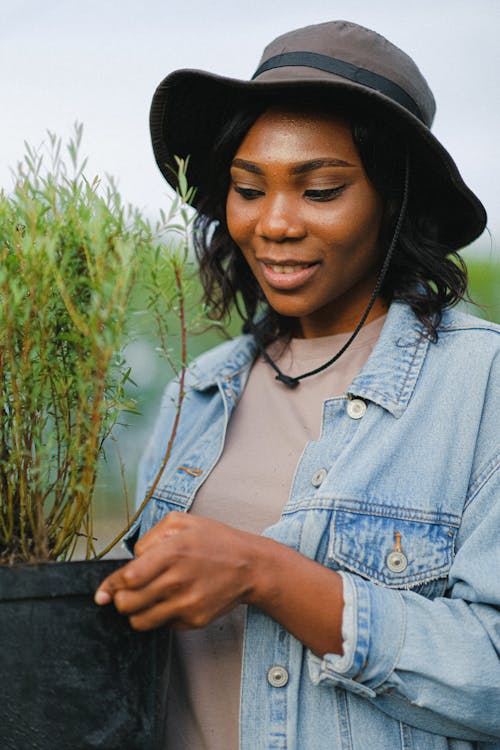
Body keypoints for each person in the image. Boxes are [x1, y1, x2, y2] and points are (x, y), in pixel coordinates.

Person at [95, 20, 500, 750]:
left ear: (393, 199)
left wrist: (267, 574)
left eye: (320, 189)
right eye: (249, 189)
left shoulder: (480, 385)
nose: (274, 223)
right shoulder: (200, 390)